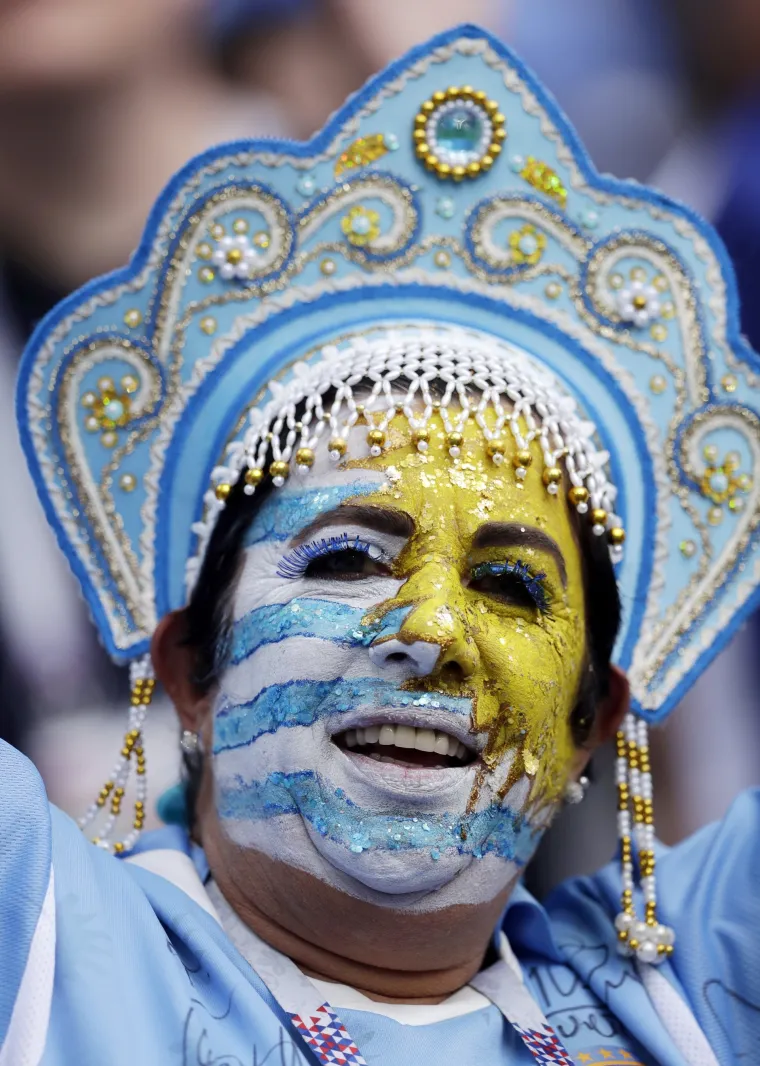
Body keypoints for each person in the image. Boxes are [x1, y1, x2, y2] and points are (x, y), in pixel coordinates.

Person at [4, 24, 759, 1066]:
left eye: (509, 585)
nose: (433, 629)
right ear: (188, 670)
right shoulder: (42, 937)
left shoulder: (689, 994)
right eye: (345, 560)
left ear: (592, 720)